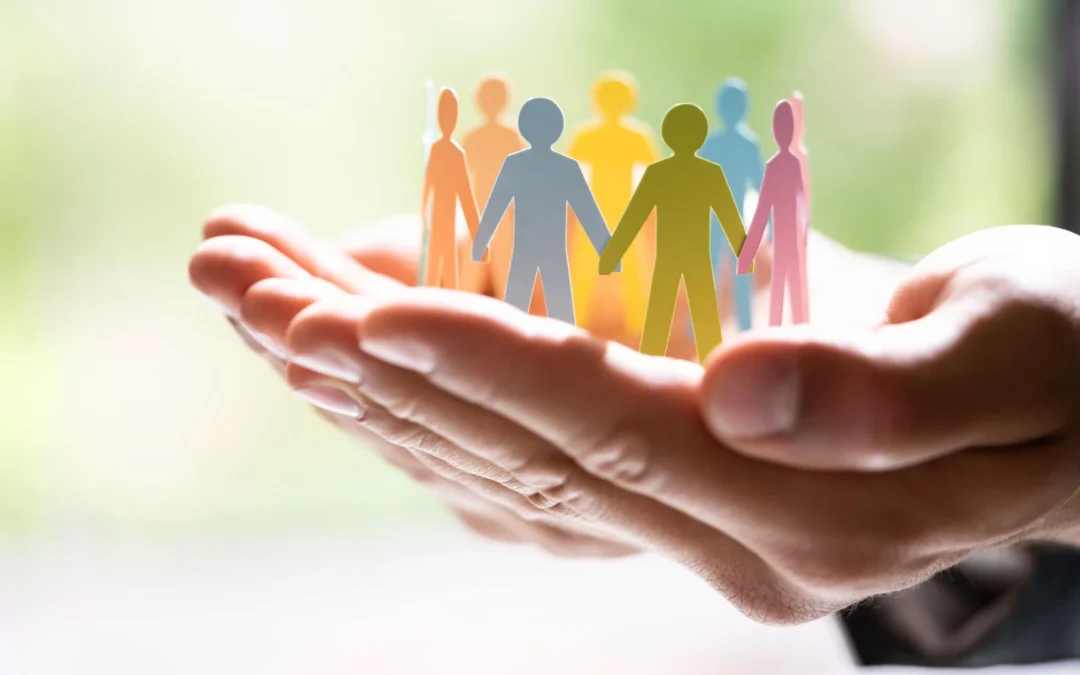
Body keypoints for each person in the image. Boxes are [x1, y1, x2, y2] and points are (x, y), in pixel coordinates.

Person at [599, 103, 750, 361]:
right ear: (701, 136)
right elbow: (729, 216)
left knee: (661, 313)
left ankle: (652, 366)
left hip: (668, 258)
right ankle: (711, 363)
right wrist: (744, 254)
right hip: (696, 258)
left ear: (668, 135)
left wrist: (613, 253)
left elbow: (633, 217)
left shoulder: (659, 173)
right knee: (703, 318)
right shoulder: (709, 173)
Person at [471, 97, 614, 325]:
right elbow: (587, 210)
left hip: (532, 249)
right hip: (547, 249)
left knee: (518, 314)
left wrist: (480, 244)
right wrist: (607, 250)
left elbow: (495, 207)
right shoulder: (564, 167)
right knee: (555, 312)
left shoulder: (516, 164)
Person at [567, 72, 658, 336]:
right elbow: (570, 172)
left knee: (631, 267)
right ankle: (576, 319)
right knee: (586, 265)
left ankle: (637, 325)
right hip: (596, 207)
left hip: (621, 207)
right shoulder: (589, 136)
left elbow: (653, 174)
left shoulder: (636, 137)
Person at [698, 78, 765, 333]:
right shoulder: (713, 144)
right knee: (708, 268)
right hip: (715, 214)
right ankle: (702, 323)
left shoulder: (747, 144)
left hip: (734, 215)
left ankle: (744, 324)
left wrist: (767, 221)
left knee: (739, 270)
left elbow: (760, 184)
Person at [738, 100, 807, 325]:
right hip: (783, 238)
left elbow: (763, 210)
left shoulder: (782, 165)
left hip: (785, 238)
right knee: (784, 286)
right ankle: (786, 326)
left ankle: (792, 325)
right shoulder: (783, 165)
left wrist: (748, 251)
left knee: (786, 286)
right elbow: (764, 209)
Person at [461, 75, 526, 303]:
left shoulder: (511, 136)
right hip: (481, 204)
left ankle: (510, 301)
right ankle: (465, 299)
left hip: (504, 205)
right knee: (476, 255)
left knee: (505, 254)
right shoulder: (474, 137)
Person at [420, 88, 483, 289]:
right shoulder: (437, 150)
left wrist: (476, 234)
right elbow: (428, 186)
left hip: (448, 224)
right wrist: (423, 217)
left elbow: (465, 195)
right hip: (437, 222)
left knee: (448, 271)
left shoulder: (455, 154)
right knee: (433, 272)